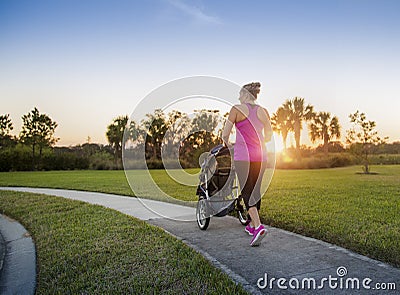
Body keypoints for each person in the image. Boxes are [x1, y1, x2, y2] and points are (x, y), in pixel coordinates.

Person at [222, 82, 272, 246]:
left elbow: (225, 134)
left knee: (247, 191)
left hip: (243, 157)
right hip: (261, 157)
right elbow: (269, 136)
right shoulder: (263, 112)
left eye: (240, 94)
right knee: (255, 190)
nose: (238, 97)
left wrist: (227, 144)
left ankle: (258, 227)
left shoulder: (236, 109)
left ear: (245, 95)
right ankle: (251, 225)